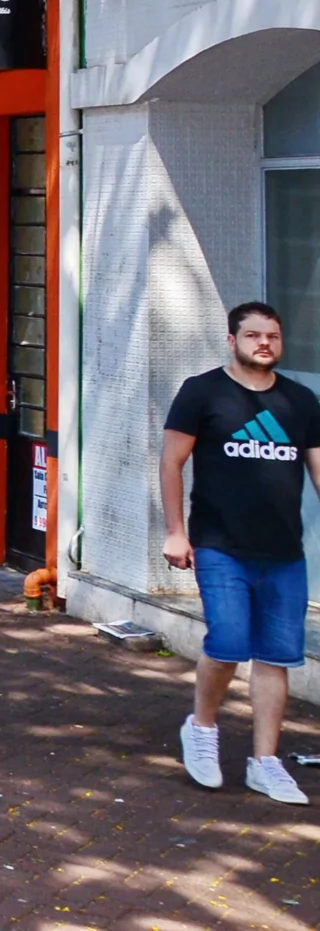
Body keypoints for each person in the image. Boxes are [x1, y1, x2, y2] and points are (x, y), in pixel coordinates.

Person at [162, 301, 320, 803]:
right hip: (219, 545)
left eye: (272, 336)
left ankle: (265, 763)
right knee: (228, 642)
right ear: (232, 340)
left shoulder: (300, 401)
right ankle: (202, 729)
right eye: (253, 336)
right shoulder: (202, 392)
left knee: (277, 657)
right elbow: (171, 463)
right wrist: (175, 532)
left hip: (283, 552)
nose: (264, 344)